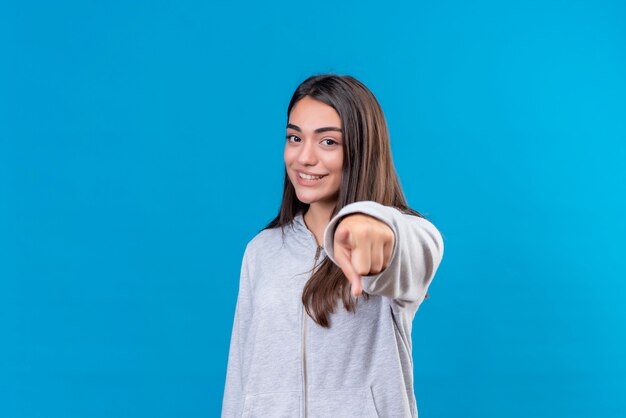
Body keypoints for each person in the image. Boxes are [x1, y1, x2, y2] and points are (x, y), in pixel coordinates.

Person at [221, 74, 444, 418]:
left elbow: (421, 244)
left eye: (328, 142)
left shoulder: (392, 235)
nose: (304, 157)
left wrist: (374, 225)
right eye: (295, 137)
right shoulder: (260, 251)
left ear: (362, 149)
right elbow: (240, 377)